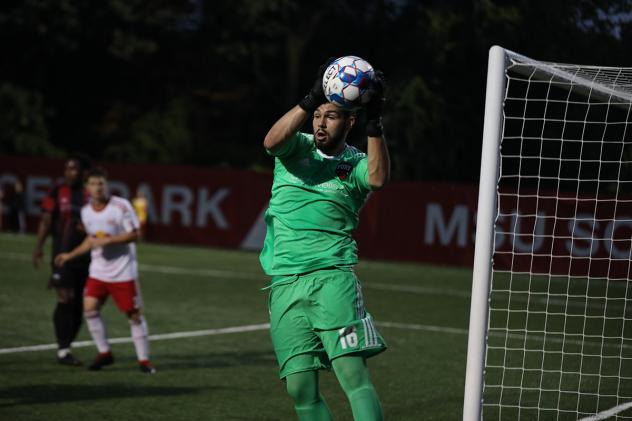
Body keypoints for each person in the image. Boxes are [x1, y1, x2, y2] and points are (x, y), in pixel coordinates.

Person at [260, 59, 390, 421]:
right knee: (299, 389)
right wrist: (311, 98)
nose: (319, 122)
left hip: (332, 279)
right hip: (284, 283)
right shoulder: (294, 149)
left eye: (330, 116)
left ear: (349, 121)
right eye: (317, 115)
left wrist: (375, 121)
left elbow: (378, 179)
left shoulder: (355, 163)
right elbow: (270, 141)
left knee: (353, 376)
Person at [54, 167, 156, 374]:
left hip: (123, 270)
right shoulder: (86, 211)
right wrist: (69, 255)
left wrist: (109, 240)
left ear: (106, 185)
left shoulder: (120, 206)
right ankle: (104, 353)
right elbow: (91, 241)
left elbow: (135, 234)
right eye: (93, 184)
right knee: (90, 309)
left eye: (101, 183)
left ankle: (144, 360)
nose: (98, 187)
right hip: (99, 271)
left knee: (134, 315)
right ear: (86, 188)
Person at [33, 154, 92, 366]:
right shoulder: (57, 190)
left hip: (86, 258)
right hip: (61, 255)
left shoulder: (89, 194)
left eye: (74, 169)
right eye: (67, 168)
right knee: (64, 298)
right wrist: (38, 247)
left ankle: (67, 345)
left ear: (83, 172)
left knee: (80, 306)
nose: (69, 173)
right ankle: (62, 349)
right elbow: (46, 220)